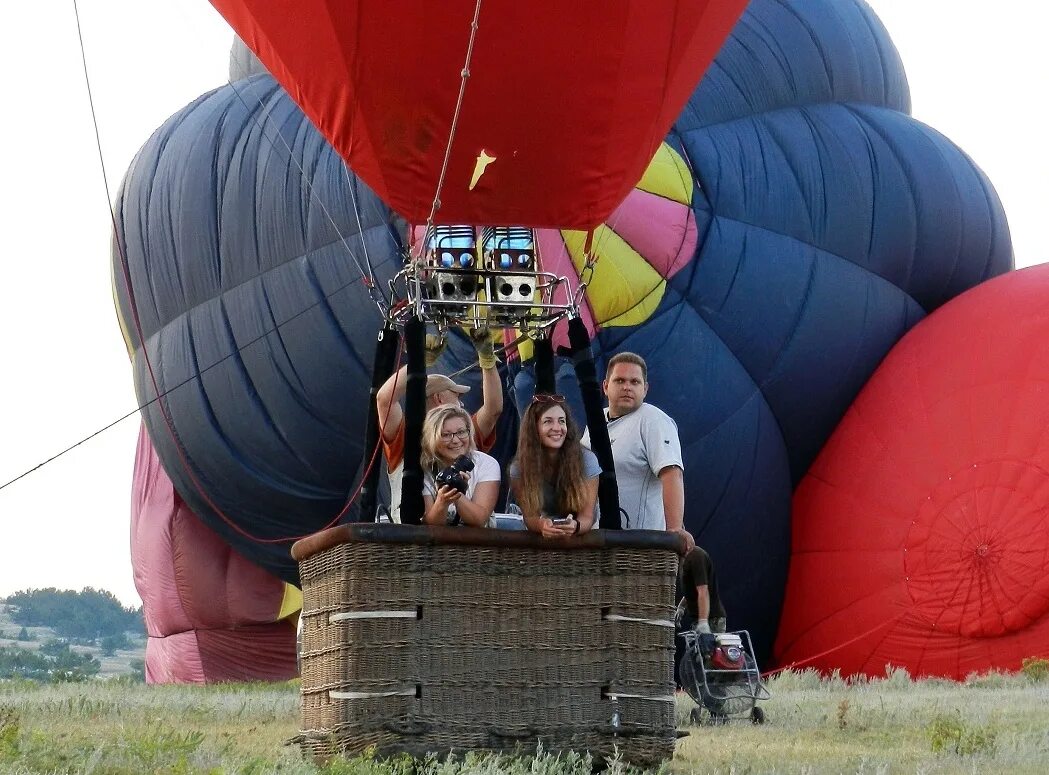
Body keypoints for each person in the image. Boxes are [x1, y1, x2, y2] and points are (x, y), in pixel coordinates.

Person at [376, 329, 502, 522]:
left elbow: (493, 409)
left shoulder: (462, 435)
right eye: (457, 396)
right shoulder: (407, 436)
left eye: (460, 433)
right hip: (409, 545)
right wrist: (419, 362)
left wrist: (487, 359)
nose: (461, 404)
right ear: (439, 398)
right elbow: (384, 399)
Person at [581, 351, 694, 549]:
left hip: (639, 547)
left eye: (635, 382)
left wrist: (674, 530)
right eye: (620, 381)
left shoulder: (653, 419)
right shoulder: (595, 421)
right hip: (595, 541)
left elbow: (672, 474)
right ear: (605, 387)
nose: (627, 387)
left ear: (645, 389)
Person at [509, 394, 600, 538]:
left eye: (562, 421)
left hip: (582, 540)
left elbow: (587, 517)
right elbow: (530, 517)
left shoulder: (587, 460)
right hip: (541, 542)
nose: (557, 428)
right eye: (548, 422)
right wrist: (542, 525)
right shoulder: (519, 468)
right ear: (534, 428)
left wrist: (575, 526)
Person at [421, 405, 500, 527]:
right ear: (432, 438)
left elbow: (479, 520)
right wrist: (442, 501)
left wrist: (457, 491)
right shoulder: (424, 469)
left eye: (461, 432)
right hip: (437, 544)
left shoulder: (486, 463)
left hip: (480, 543)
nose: (456, 440)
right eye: (446, 435)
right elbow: (430, 527)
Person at [677, 546, 726, 634]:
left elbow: (703, 590)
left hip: (711, 619)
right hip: (698, 619)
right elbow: (692, 590)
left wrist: (703, 621)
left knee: (709, 647)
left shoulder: (696, 556)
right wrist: (681, 607)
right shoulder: (684, 560)